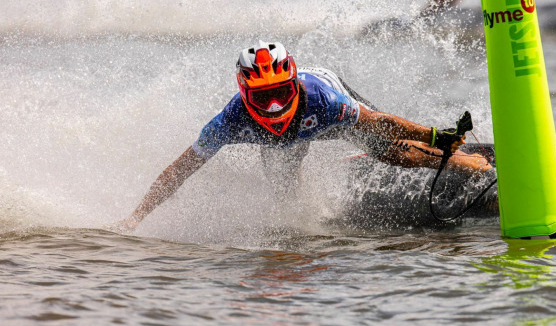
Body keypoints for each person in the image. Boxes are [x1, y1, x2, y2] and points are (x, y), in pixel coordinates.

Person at [116, 41, 492, 231]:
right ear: (246, 92)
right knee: (285, 194)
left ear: (293, 83)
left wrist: (433, 134)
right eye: (264, 97)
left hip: (327, 118)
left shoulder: (325, 100)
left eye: (281, 92)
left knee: (387, 150)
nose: (276, 106)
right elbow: (178, 172)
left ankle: (461, 161)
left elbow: (380, 121)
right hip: (284, 142)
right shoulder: (228, 122)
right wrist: (134, 218)